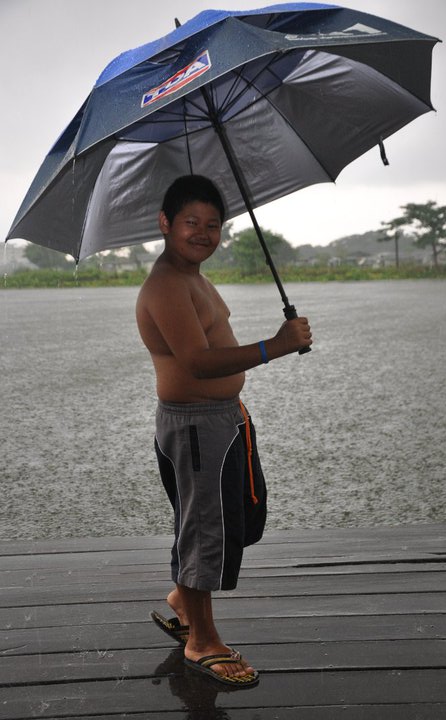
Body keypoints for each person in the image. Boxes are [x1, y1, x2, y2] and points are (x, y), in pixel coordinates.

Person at [136, 175, 312, 687]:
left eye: (213, 224)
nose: (204, 233)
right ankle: (202, 641)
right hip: (194, 428)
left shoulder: (192, 274)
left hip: (225, 420)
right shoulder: (166, 284)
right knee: (204, 532)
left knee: (240, 522)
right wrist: (273, 346)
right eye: (191, 222)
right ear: (165, 223)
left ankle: (182, 599)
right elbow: (196, 362)